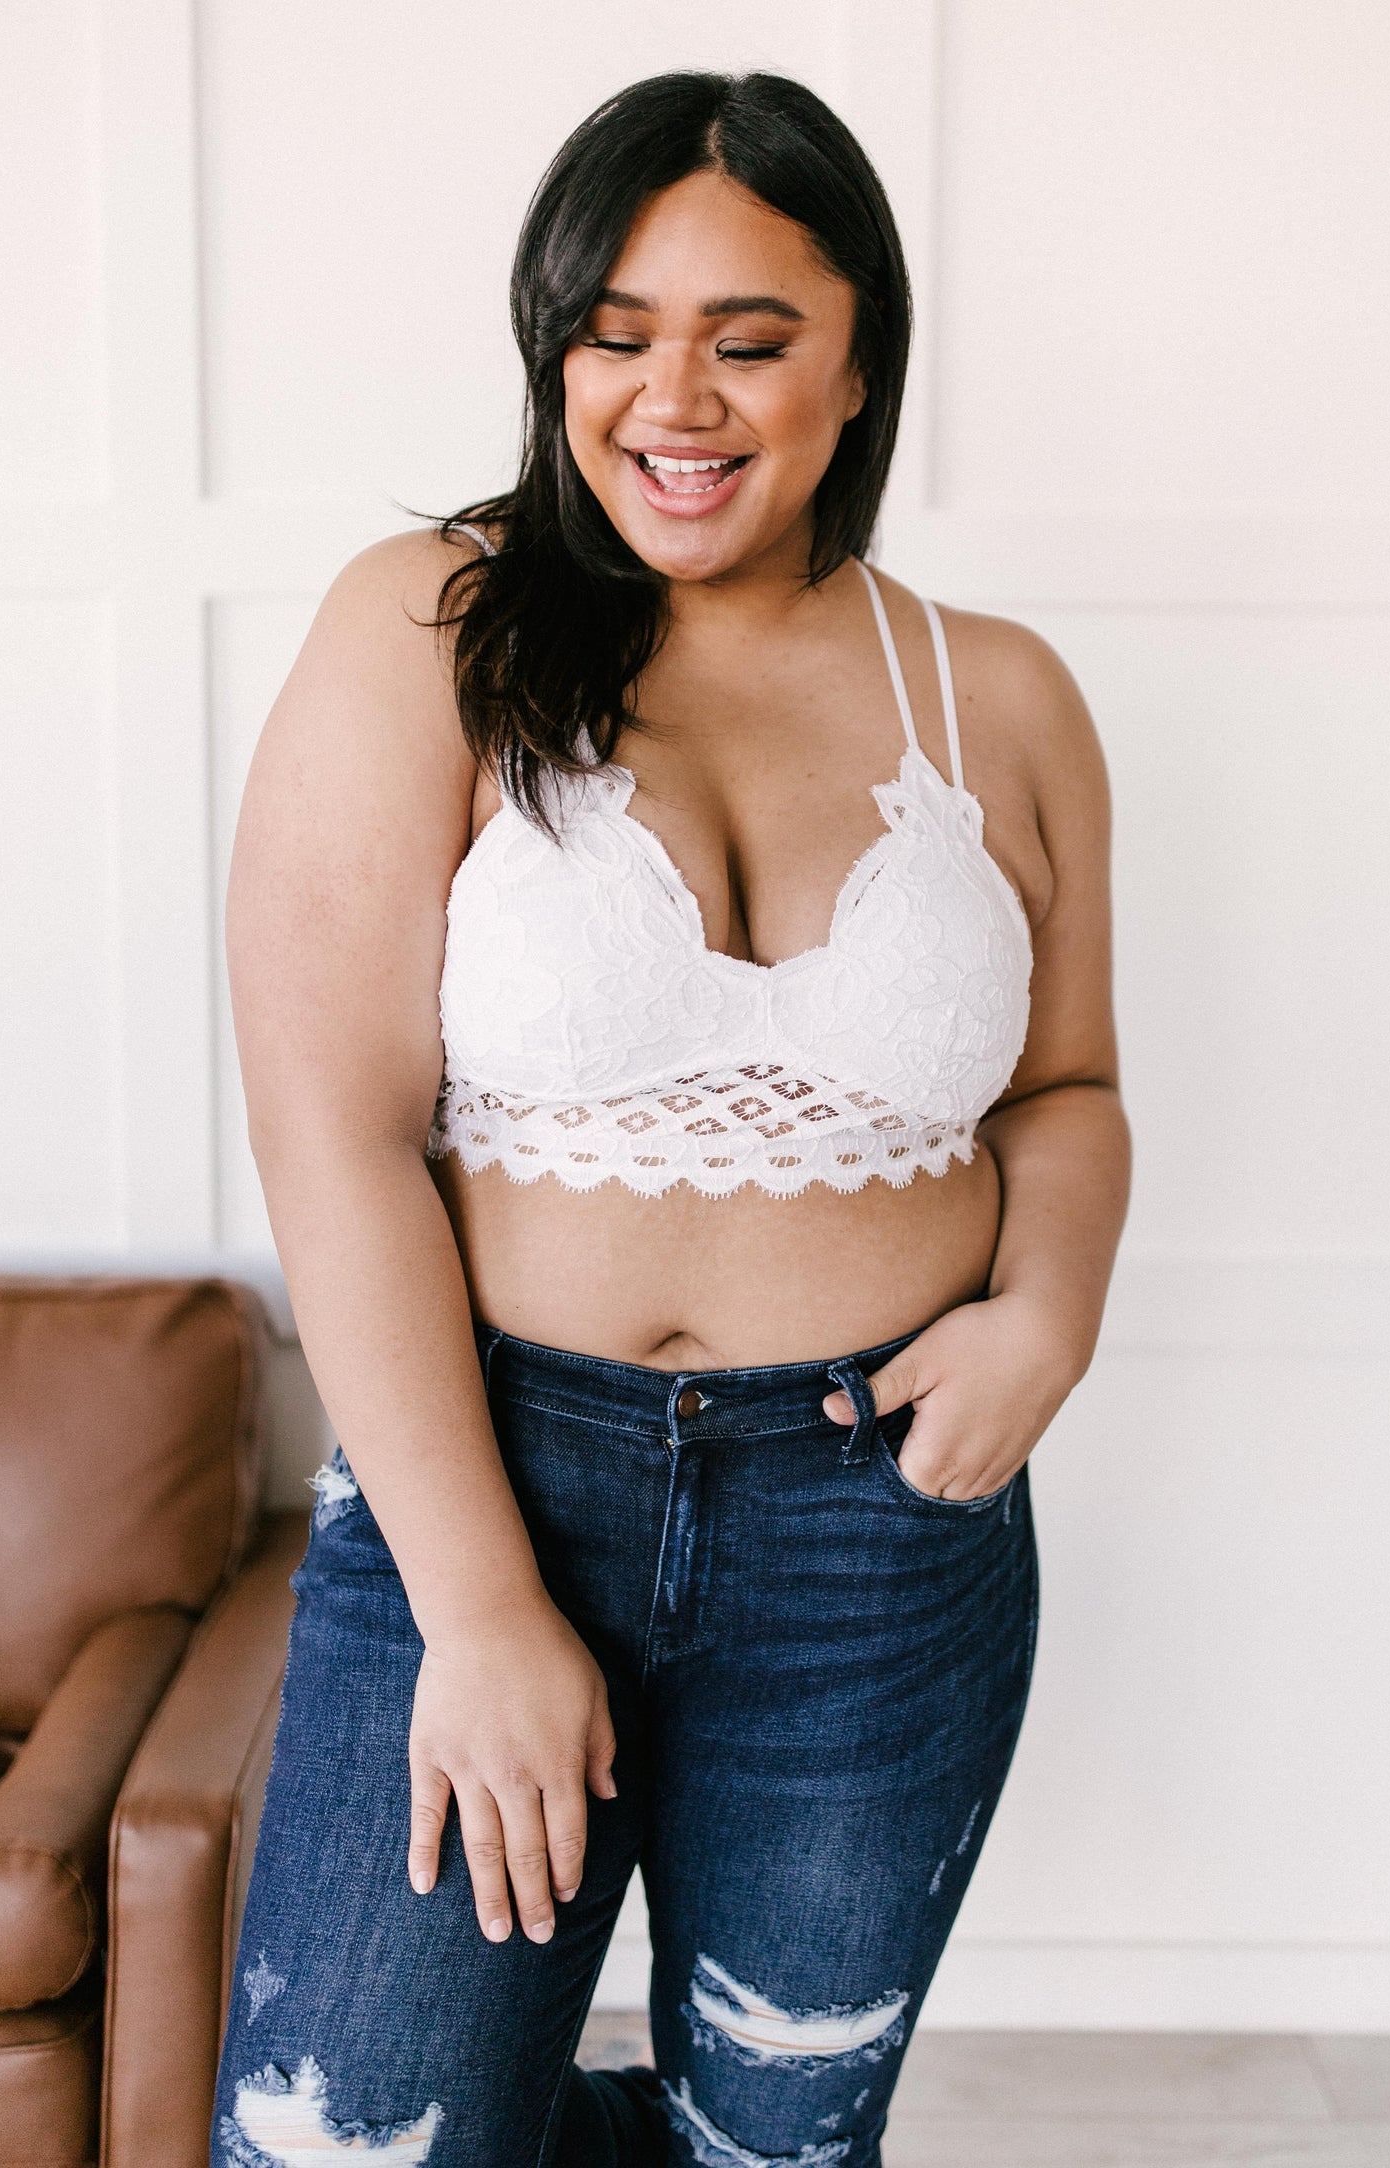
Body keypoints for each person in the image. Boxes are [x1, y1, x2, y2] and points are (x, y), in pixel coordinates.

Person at [213, 68, 1129, 2168]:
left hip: (879, 1535)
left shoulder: (998, 695)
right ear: (553, 356)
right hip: (495, 1478)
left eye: (749, 334)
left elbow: (1068, 1091)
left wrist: (1047, 1315)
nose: (672, 396)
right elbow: (332, 1129)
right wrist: (485, 1602)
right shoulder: (425, 624)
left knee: (773, 2146)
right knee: (353, 2137)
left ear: (861, 356)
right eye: (614, 331)